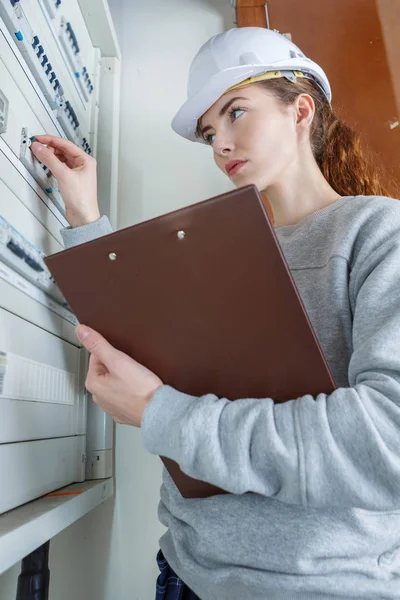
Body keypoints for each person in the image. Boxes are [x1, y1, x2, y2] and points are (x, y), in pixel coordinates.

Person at [31, 26, 400, 600]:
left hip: (321, 586)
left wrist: (161, 412)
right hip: (184, 572)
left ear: (301, 111)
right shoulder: (217, 247)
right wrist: (86, 218)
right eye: (208, 133)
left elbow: (388, 442)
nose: (221, 144)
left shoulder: (378, 234)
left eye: (236, 113)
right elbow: (137, 342)